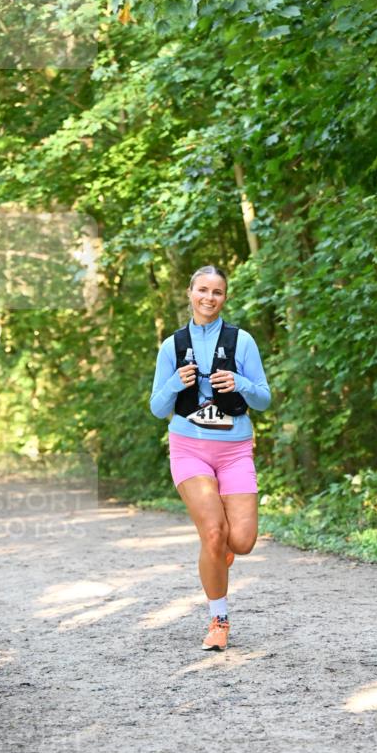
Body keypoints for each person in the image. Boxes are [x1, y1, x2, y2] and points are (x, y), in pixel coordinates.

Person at [150, 266, 271, 652]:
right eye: (202, 290)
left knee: (243, 540)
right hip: (189, 447)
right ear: (190, 292)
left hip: (235, 449)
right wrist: (176, 383)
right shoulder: (172, 345)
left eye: (217, 292)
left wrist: (241, 383)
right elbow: (156, 408)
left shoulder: (242, 341)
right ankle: (218, 620)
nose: (209, 297)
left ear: (225, 297)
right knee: (214, 534)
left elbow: (264, 399)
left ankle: (219, 553)